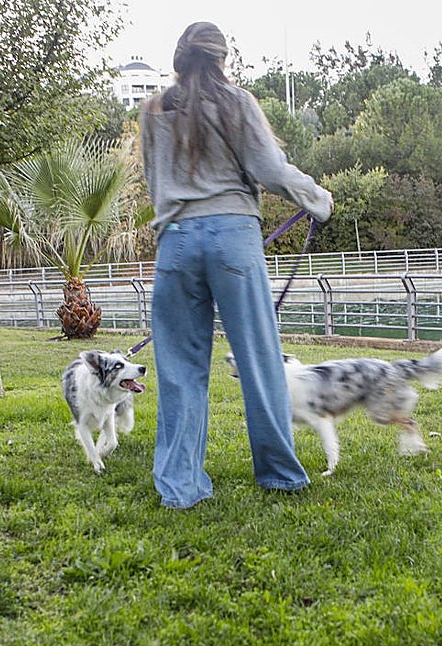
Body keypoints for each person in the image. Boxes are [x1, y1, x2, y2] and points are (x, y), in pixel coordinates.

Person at [139, 21, 333, 509]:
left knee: (181, 369)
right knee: (259, 359)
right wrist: (317, 199)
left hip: (176, 241)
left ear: (179, 59)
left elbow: (152, 180)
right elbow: (269, 170)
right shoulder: (238, 103)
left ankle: (180, 487)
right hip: (233, 238)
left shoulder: (153, 111)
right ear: (223, 58)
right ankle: (280, 474)